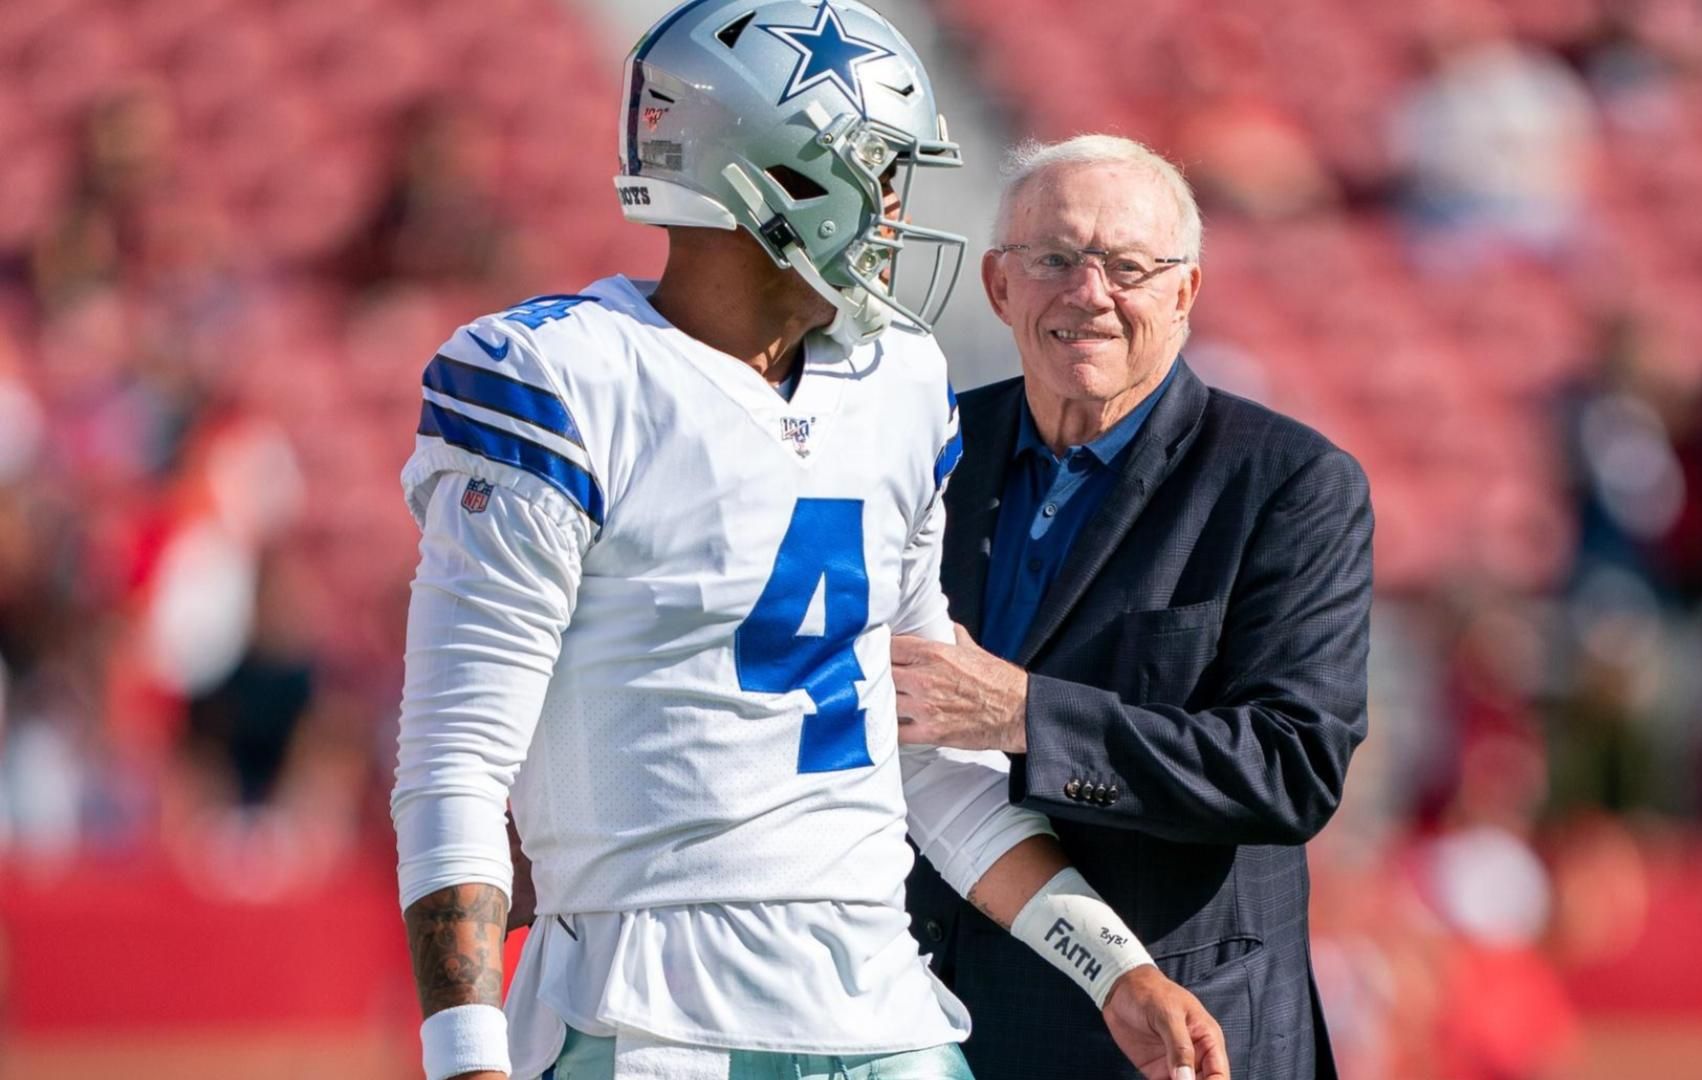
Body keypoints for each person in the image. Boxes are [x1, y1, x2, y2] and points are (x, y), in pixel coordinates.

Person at [389, 5, 1229, 1080]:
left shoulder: (898, 383)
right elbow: (455, 761)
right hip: (649, 1014)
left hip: (883, 1005)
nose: (893, 210)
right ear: (774, 176)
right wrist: (464, 1056)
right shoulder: (561, 380)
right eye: (878, 170)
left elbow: (920, 743)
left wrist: (1118, 968)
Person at [894, 134, 1374, 1079]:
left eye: (1129, 267)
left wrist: (1025, 716)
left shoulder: (1290, 483)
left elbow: (1290, 769)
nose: (1090, 293)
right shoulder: (922, 449)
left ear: (1185, 293)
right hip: (923, 1018)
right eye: (1055, 260)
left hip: (1173, 1037)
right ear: (999, 285)